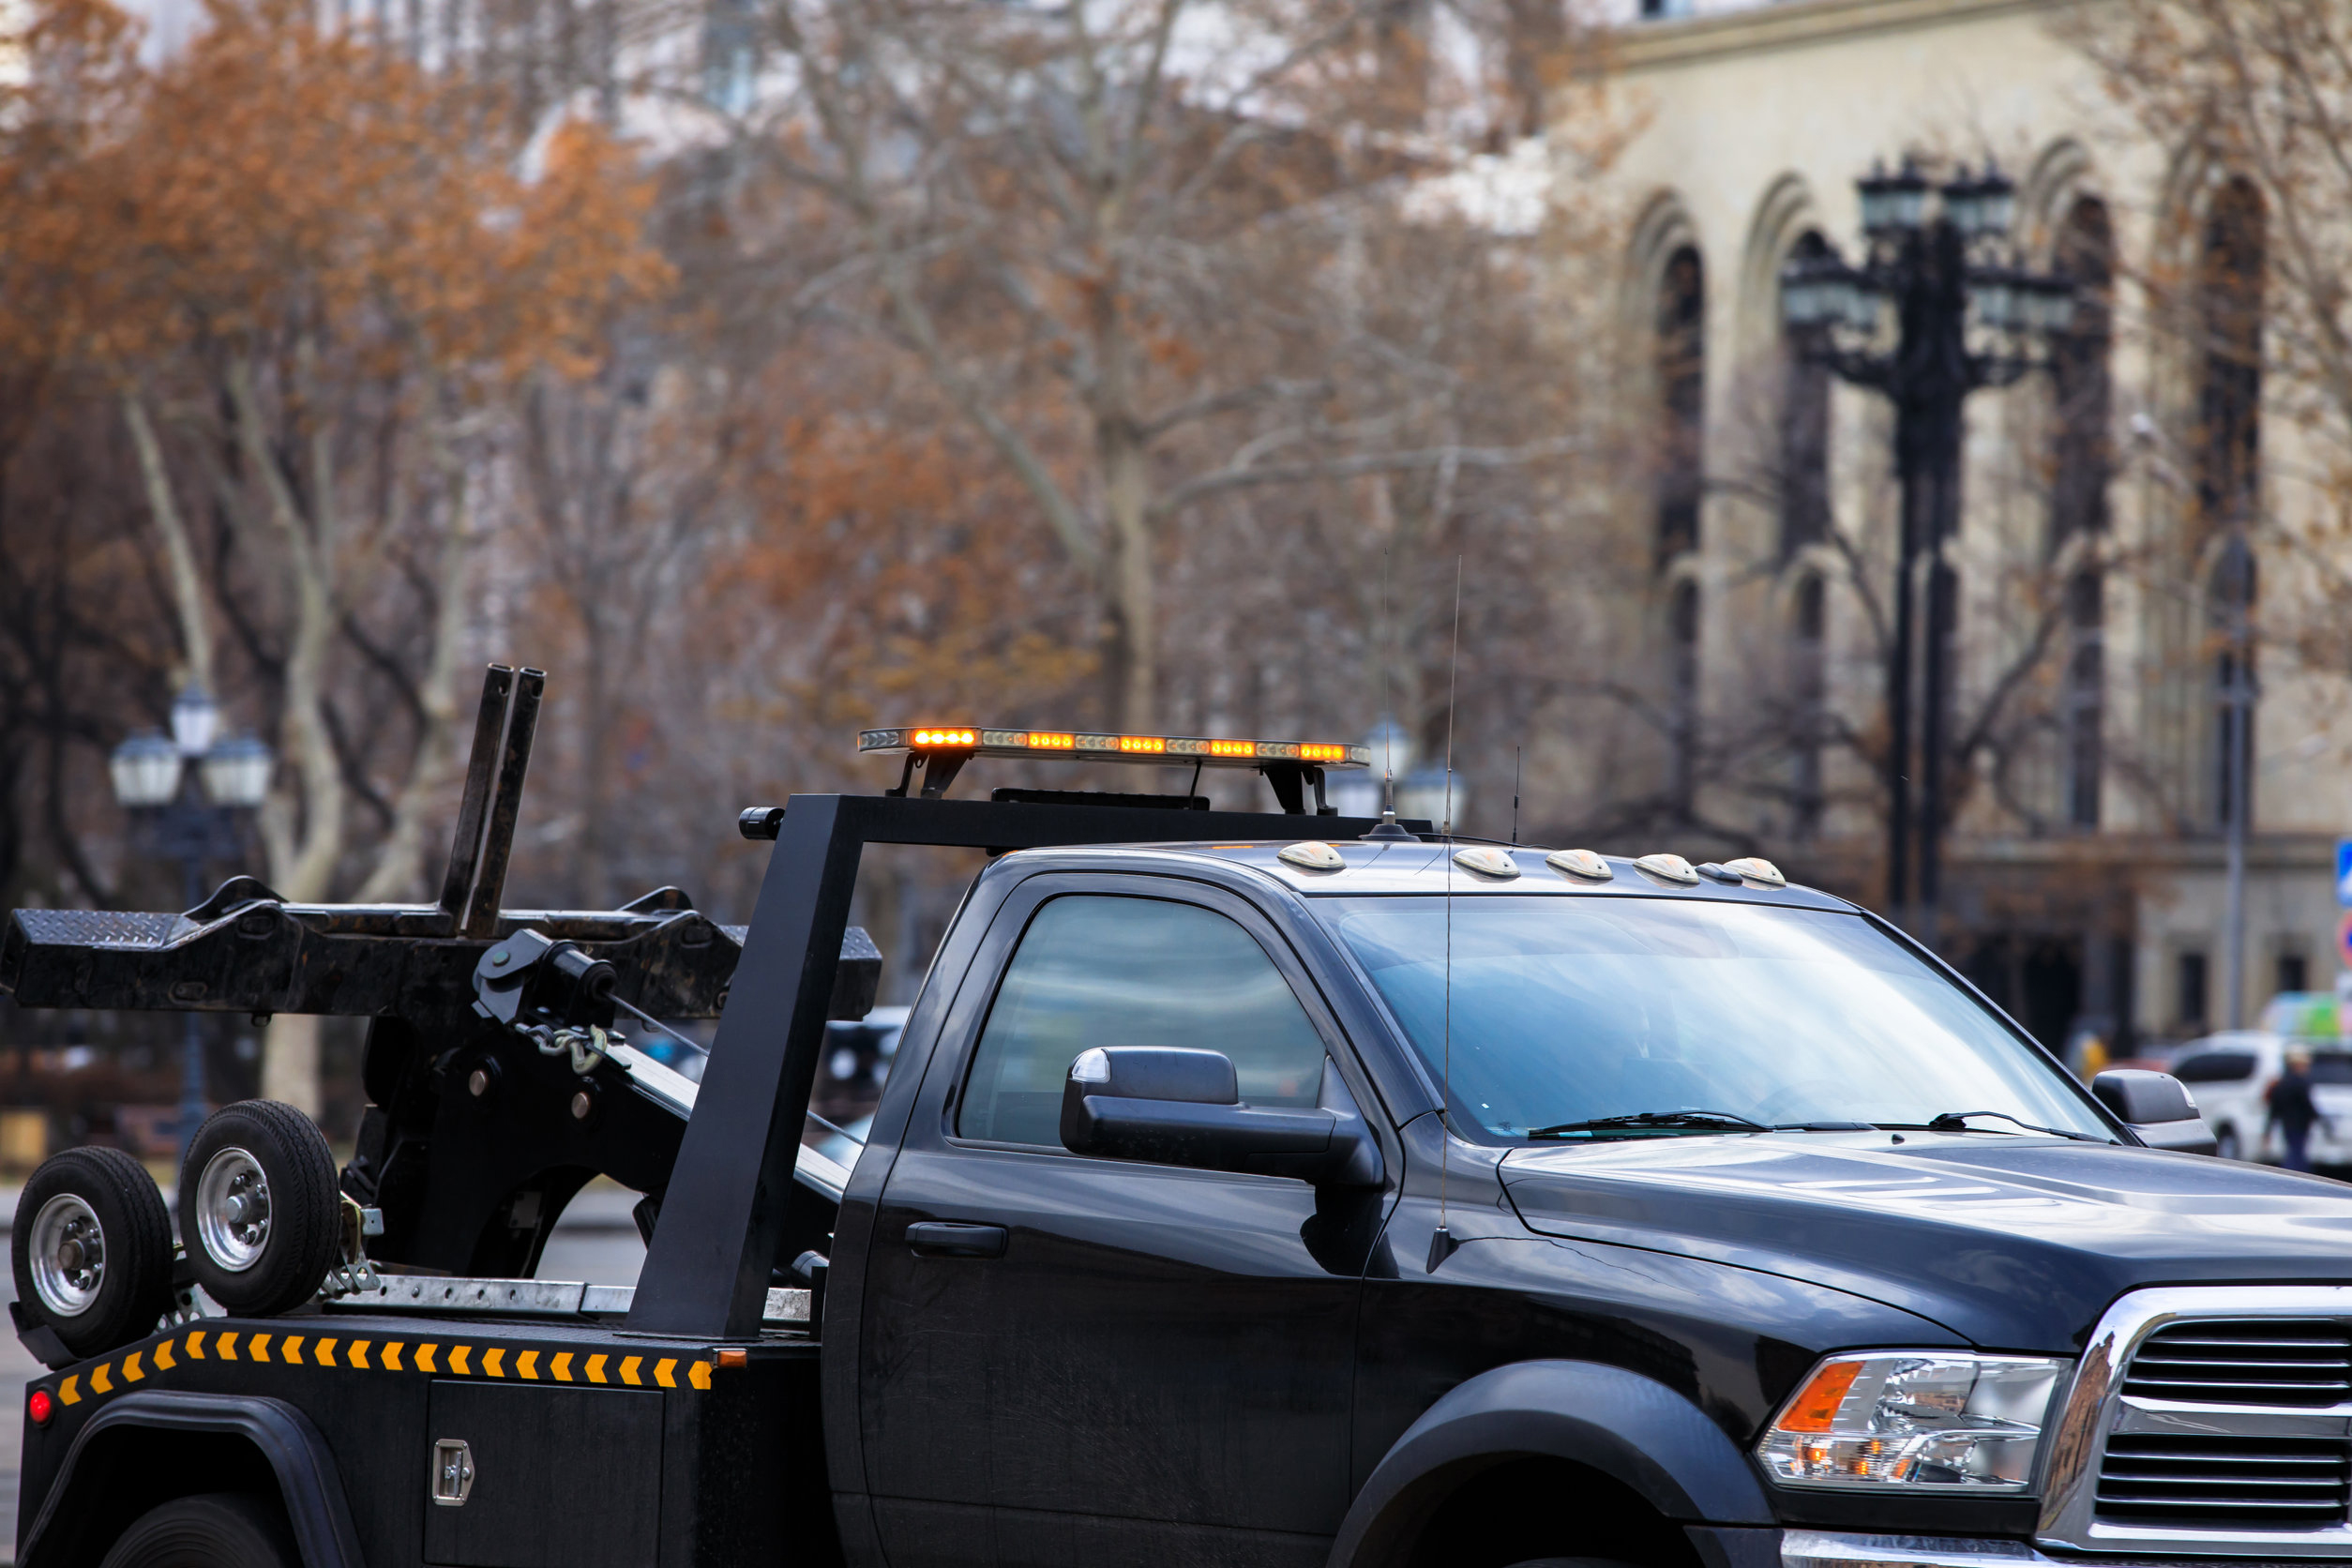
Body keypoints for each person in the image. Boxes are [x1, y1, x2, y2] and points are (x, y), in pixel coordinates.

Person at [2267, 1048, 2328, 1172]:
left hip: (2287, 1124)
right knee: (2297, 1154)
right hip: (2300, 1124)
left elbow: (2275, 1108)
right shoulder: (2301, 1083)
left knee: (2293, 1151)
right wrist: (2322, 1121)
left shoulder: (2281, 1082)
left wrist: (2268, 1129)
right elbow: (2308, 1105)